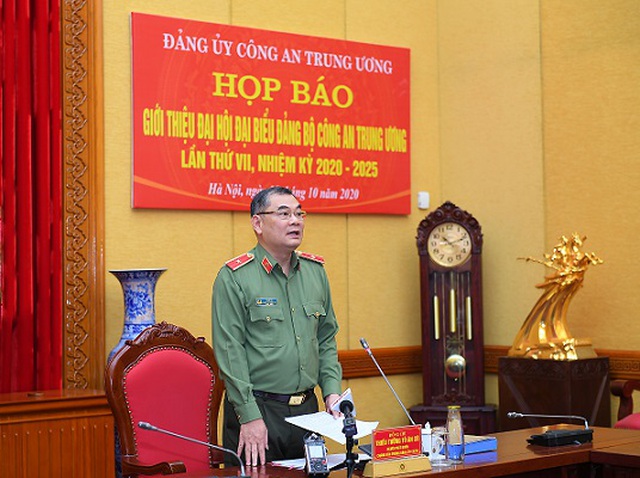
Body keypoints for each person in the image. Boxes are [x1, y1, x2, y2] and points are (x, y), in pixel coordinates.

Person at [212, 186, 342, 466]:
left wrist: (332, 391)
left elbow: (326, 339)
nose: (295, 221)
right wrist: (249, 415)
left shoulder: (315, 273)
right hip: (258, 411)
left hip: (309, 412)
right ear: (257, 223)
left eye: (299, 214)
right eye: (284, 214)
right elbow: (230, 352)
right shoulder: (235, 277)